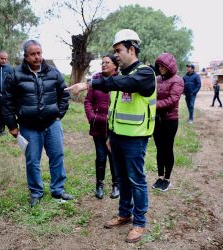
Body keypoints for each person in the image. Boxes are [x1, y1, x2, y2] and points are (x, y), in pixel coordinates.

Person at [66, 29, 156, 243]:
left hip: (135, 138)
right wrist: (110, 135)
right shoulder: (121, 75)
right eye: (115, 51)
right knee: (123, 179)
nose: (116, 55)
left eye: (119, 51)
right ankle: (125, 213)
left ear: (131, 50)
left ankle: (139, 223)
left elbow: (123, 85)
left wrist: (89, 84)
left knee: (136, 180)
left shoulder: (144, 74)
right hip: (117, 137)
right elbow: (115, 108)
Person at [2, 40, 73, 207]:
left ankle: (58, 189)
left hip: (52, 124)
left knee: (57, 156)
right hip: (29, 126)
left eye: (39, 53)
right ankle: (36, 191)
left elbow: (64, 95)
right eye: (33, 54)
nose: (37, 57)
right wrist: (12, 125)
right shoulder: (14, 74)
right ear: (25, 56)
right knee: (32, 160)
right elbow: (7, 102)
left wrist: (58, 115)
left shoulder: (53, 73)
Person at [84, 54, 120, 199]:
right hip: (98, 126)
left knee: (114, 157)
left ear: (115, 65)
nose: (104, 65)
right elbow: (87, 101)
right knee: (100, 157)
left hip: (115, 128)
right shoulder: (96, 80)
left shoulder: (120, 81)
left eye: (107, 62)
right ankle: (99, 185)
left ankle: (116, 185)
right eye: (102, 62)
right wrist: (92, 117)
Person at [151, 53, 184, 192]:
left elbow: (172, 100)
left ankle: (167, 179)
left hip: (170, 120)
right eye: (158, 65)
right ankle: (159, 177)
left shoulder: (178, 80)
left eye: (162, 65)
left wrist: (152, 105)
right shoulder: (157, 79)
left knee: (167, 148)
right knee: (159, 149)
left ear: (169, 66)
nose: (160, 67)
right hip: (157, 120)